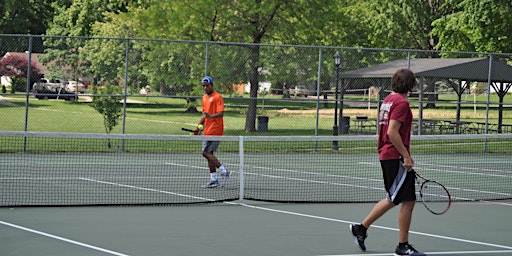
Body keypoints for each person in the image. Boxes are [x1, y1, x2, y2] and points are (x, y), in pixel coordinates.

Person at [349, 69, 426, 256]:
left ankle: (362, 228)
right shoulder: (401, 103)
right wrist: (406, 156)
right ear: (410, 84)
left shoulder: (388, 100)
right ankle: (402, 246)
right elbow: (392, 132)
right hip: (394, 156)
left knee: (402, 198)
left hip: (390, 155)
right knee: (402, 199)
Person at [196, 76, 230, 188]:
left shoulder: (218, 97)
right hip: (207, 130)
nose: (205, 88)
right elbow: (204, 115)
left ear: (212, 85)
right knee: (209, 154)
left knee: (205, 153)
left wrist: (211, 116)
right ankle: (214, 180)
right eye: (203, 86)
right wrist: (198, 128)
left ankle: (224, 171)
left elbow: (221, 113)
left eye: (207, 85)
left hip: (216, 130)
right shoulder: (204, 98)